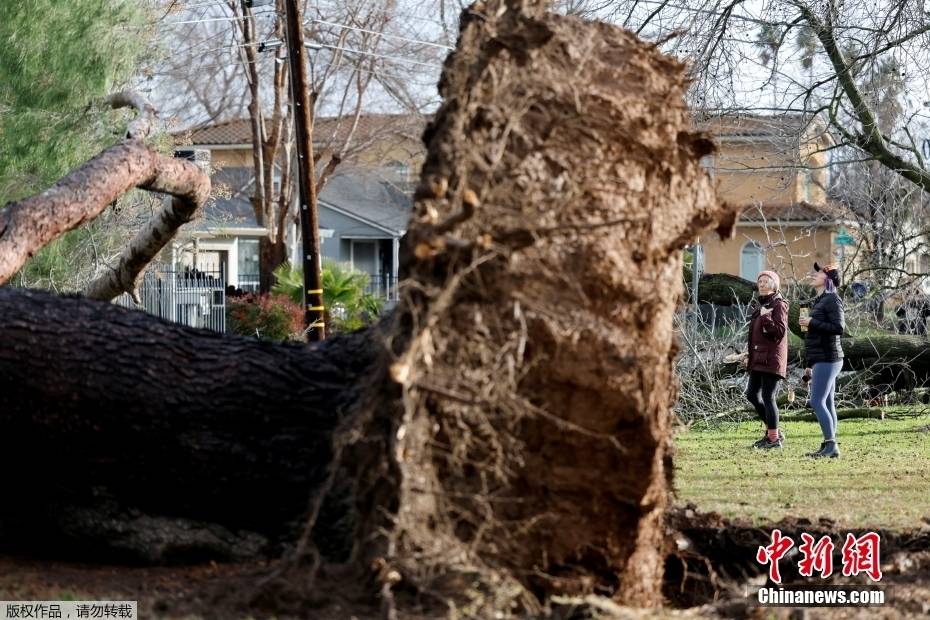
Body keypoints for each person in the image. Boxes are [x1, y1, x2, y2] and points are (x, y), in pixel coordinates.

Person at [799, 262, 845, 458]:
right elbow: (813, 337)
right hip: (821, 358)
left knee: (816, 401)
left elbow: (839, 328)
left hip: (829, 357)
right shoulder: (820, 301)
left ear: (828, 279)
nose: (813, 275)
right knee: (827, 402)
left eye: (818, 273)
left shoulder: (832, 299)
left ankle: (831, 445)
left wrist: (812, 322)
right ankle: (828, 444)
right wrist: (809, 365)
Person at [744, 270, 790, 449]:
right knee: (751, 395)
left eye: (765, 281)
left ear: (775, 285)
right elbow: (757, 336)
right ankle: (774, 432)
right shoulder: (761, 305)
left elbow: (778, 333)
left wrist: (765, 316)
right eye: (759, 281)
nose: (761, 283)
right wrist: (748, 353)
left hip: (772, 359)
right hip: (758, 357)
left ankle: (773, 439)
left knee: (768, 396)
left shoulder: (779, 304)